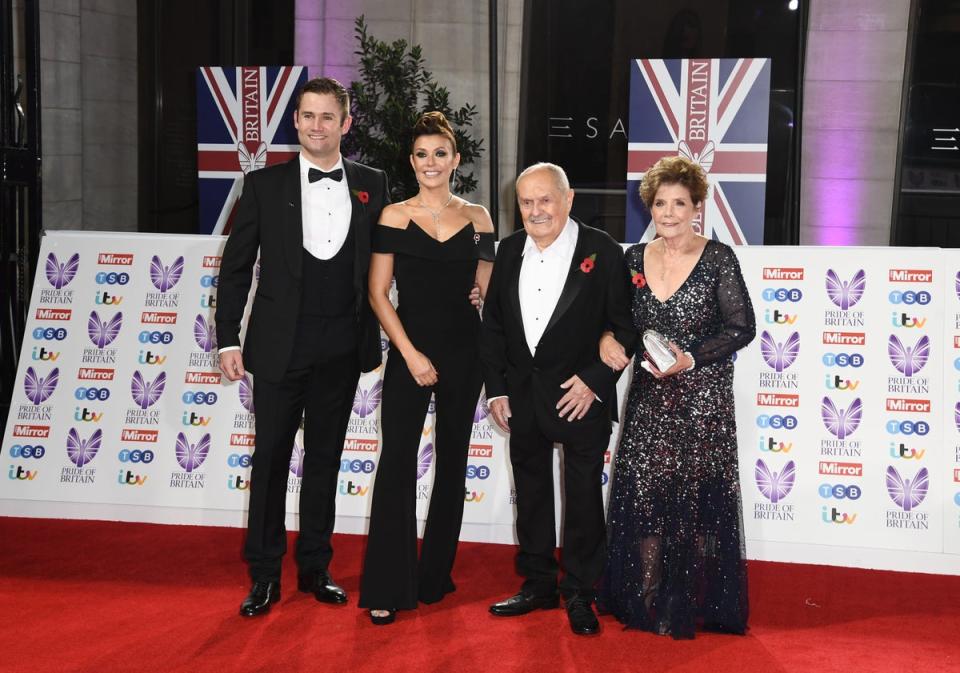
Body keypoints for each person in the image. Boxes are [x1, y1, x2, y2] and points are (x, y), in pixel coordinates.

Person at [215, 77, 390, 617]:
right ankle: (265, 574)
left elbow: (393, 258)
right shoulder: (262, 186)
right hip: (276, 347)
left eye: (327, 117)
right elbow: (236, 267)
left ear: (346, 123)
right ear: (296, 121)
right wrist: (227, 338)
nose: (317, 126)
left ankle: (316, 565)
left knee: (324, 462)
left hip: (341, 344)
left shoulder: (373, 184)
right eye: (307, 116)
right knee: (268, 459)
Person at [597, 154, 755, 639]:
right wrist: (606, 335)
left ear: (696, 206)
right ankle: (645, 594)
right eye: (660, 204)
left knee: (690, 502)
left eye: (678, 203)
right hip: (649, 400)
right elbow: (620, 321)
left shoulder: (718, 257)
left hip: (701, 399)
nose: (668, 213)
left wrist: (691, 357)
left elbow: (741, 327)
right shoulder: (631, 261)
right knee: (645, 498)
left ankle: (684, 599)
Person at [480, 163, 635, 636]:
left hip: (580, 396)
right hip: (522, 396)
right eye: (526, 202)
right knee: (530, 491)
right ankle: (539, 583)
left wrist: (594, 381)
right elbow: (494, 328)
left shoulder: (603, 251)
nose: (535, 210)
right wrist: (498, 390)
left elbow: (626, 328)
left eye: (545, 199)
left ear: (568, 200)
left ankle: (582, 592)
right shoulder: (507, 251)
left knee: (584, 494)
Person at [359, 112, 495, 625]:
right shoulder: (393, 216)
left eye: (440, 153)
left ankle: (435, 575)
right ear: (411, 161)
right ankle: (389, 586)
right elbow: (377, 293)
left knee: (453, 464)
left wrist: (483, 290)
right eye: (422, 154)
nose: (431, 162)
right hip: (408, 351)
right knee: (396, 462)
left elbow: (486, 285)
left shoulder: (479, 217)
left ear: (456, 159)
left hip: (466, 352)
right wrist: (411, 354)